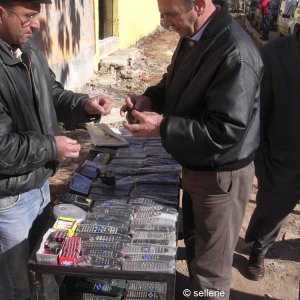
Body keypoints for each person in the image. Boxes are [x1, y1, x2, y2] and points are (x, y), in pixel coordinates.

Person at [120, 0, 263, 298]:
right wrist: (151, 99)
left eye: (170, 15)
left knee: (211, 273)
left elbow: (226, 131)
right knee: (199, 249)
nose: (166, 23)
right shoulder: (194, 37)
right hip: (197, 165)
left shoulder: (234, 52)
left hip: (219, 177)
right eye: (162, 15)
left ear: (199, 5)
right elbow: (175, 82)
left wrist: (162, 127)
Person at [0, 0, 112, 299]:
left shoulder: (24, 43)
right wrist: (52, 146)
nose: (35, 24)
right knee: (17, 286)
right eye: (27, 17)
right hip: (8, 201)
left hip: (38, 185)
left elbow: (50, 92)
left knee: (43, 271)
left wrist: (83, 105)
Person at [244, 29, 300, 281]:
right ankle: (259, 249)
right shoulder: (273, 54)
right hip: (282, 158)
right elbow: (257, 112)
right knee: (272, 210)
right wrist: (261, 159)